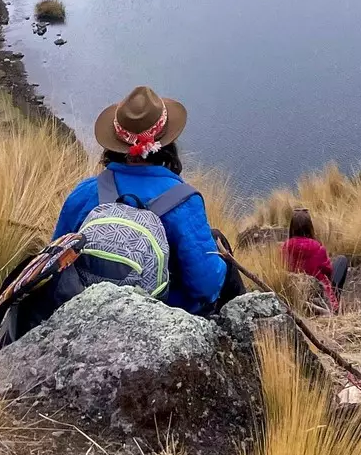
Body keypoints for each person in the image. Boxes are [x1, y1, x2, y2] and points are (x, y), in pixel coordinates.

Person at [54, 85, 230, 315]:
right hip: (162, 319)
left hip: (84, 312)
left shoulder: (86, 192)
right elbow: (206, 286)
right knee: (219, 247)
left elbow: (56, 261)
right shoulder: (184, 202)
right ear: (167, 144)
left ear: (115, 144)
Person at [283, 206, 350, 311]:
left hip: (293, 297)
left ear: (292, 228)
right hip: (320, 298)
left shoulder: (284, 248)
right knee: (341, 261)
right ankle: (336, 301)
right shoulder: (317, 247)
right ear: (309, 227)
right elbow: (329, 271)